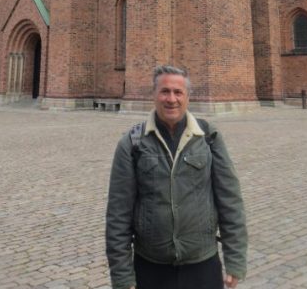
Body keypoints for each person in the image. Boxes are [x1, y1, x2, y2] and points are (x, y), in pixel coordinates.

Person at [106, 65, 247, 289]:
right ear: (154, 95)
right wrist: (122, 277)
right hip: (151, 267)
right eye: (165, 91)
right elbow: (118, 214)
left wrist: (235, 259)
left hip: (202, 264)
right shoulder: (132, 144)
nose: (171, 99)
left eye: (178, 92)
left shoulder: (209, 138)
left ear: (188, 97)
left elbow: (230, 201)